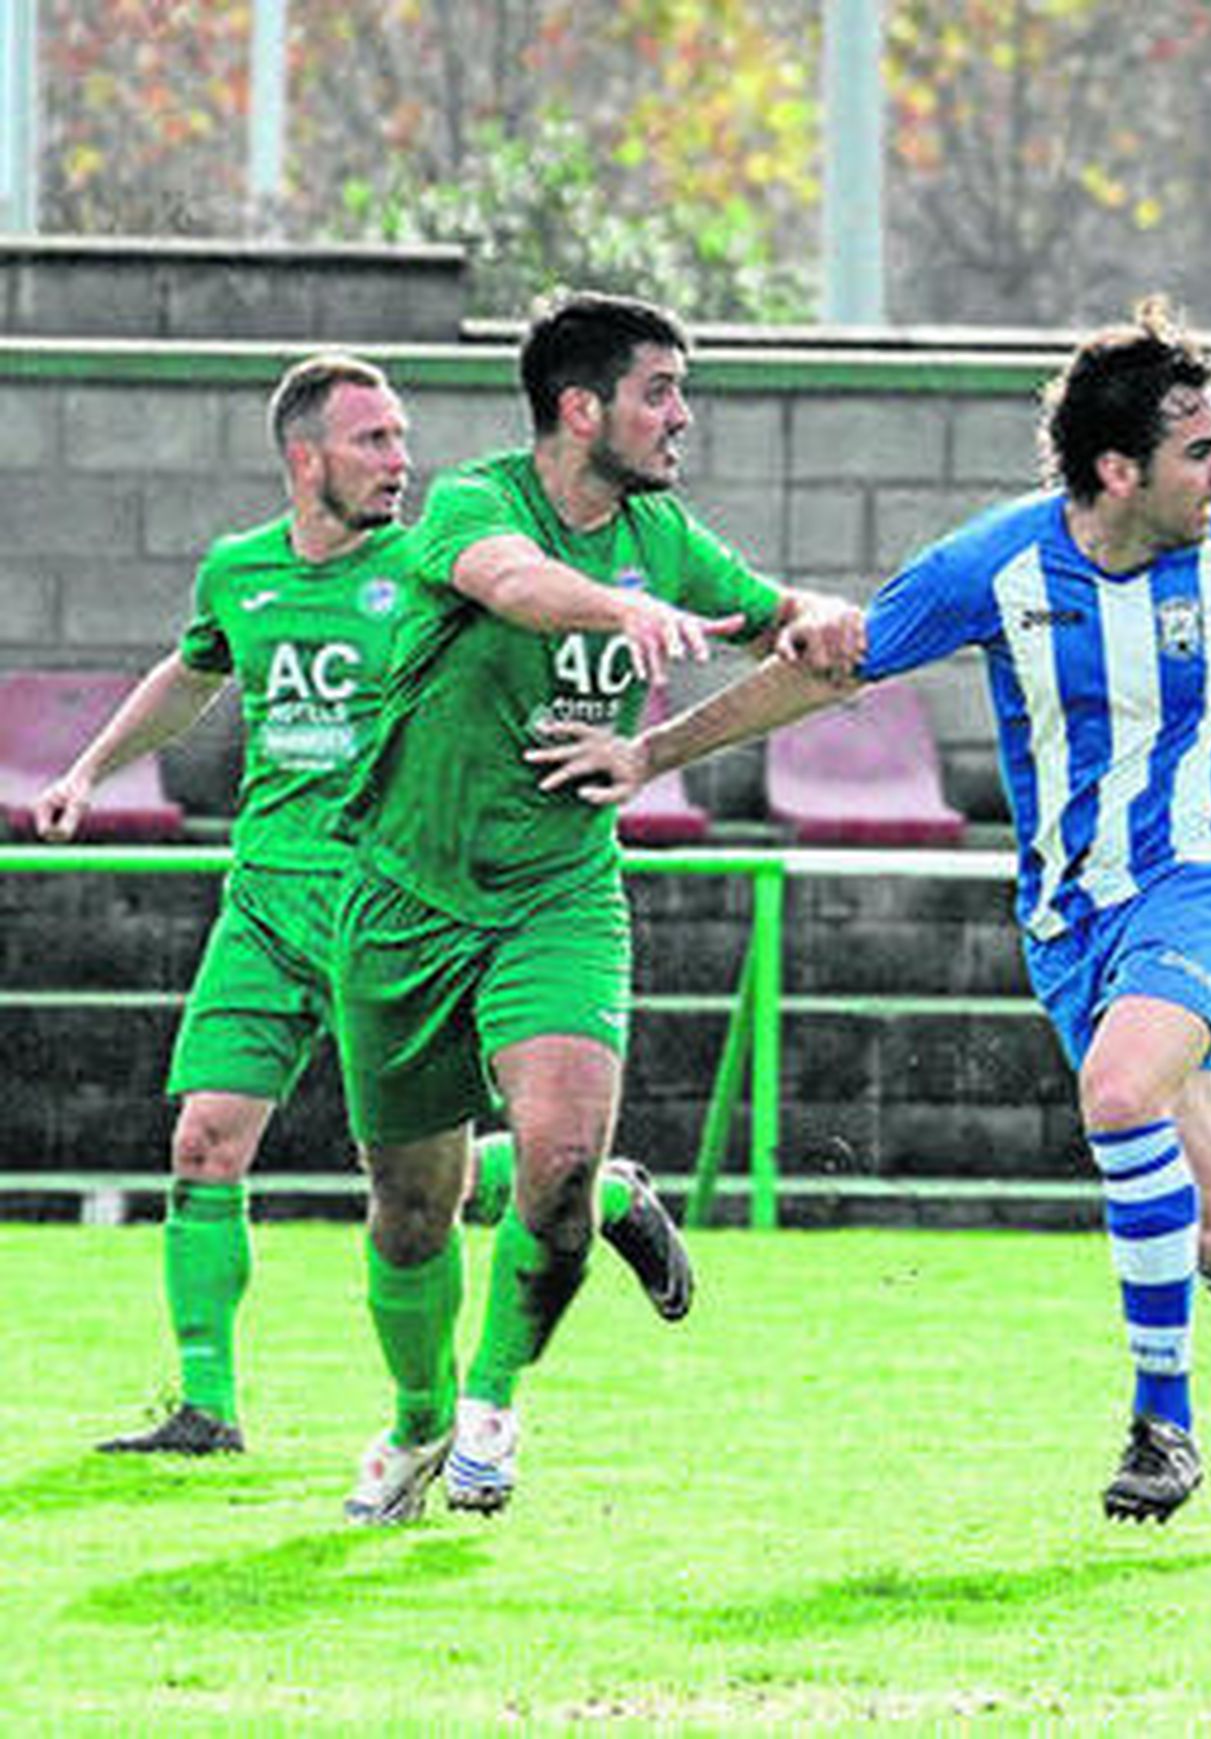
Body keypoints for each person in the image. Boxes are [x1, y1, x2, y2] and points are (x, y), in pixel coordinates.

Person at [531, 296, 1211, 1539]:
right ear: (1118, 470)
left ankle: (1163, 1424)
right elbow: (827, 669)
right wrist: (653, 750)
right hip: (1072, 922)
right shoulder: (991, 565)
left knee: (1115, 1098)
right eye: (1202, 450)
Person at [32, 353, 687, 1458]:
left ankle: (602, 1194)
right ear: (306, 457)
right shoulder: (240, 570)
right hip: (264, 902)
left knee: (401, 1177)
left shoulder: (434, 570)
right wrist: (87, 769)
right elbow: (192, 673)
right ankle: (205, 1406)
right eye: (374, 440)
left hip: (387, 898)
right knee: (203, 1138)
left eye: (402, 437)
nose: (401, 460)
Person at [331, 290, 864, 1526]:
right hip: (404, 898)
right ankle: (414, 1421)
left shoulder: (664, 533)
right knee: (414, 1208)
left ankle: (490, 1408)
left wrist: (815, 616)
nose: (682, 415)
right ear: (582, 409)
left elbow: (790, 632)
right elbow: (509, 583)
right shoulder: (474, 501)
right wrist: (617, 607)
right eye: (659, 392)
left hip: (559, 896)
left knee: (556, 1169)